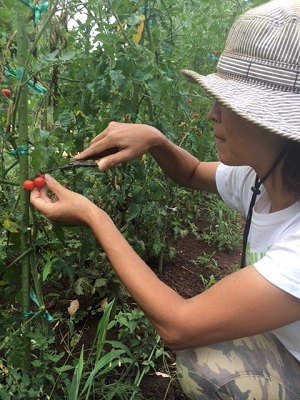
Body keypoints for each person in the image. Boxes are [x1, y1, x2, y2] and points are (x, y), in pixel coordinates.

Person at [30, 0, 300, 398]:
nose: (211, 114)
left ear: (276, 125)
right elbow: (191, 173)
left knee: (208, 364)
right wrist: (154, 138)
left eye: (227, 104)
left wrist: (94, 217)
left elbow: (180, 325)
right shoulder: (264, 178)